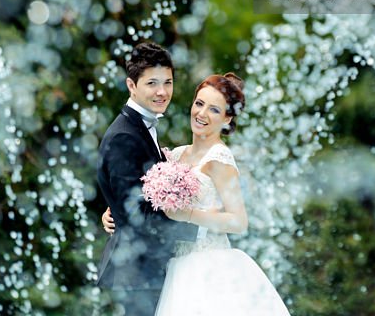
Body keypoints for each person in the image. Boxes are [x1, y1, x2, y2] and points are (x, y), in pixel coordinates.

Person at [103, 71, 292, 316]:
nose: (202, 114)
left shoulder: (220, 159)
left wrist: (189, 214)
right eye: (199, 103)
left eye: (214, 110)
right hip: (174, 267)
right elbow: (143, 197)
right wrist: (115, 210)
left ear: (227, 118)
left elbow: (238, 221)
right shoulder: (175, 155)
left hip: (210, 267)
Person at [96, 40, 196, 316]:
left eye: (168, 82)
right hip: (135, 277)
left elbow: (133, 200)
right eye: (152, 83)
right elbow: (136, 218)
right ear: (131, 86)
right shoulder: (124, 137)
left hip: (146, 272)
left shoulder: (141, 127)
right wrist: (199, 229)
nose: (162, 92)